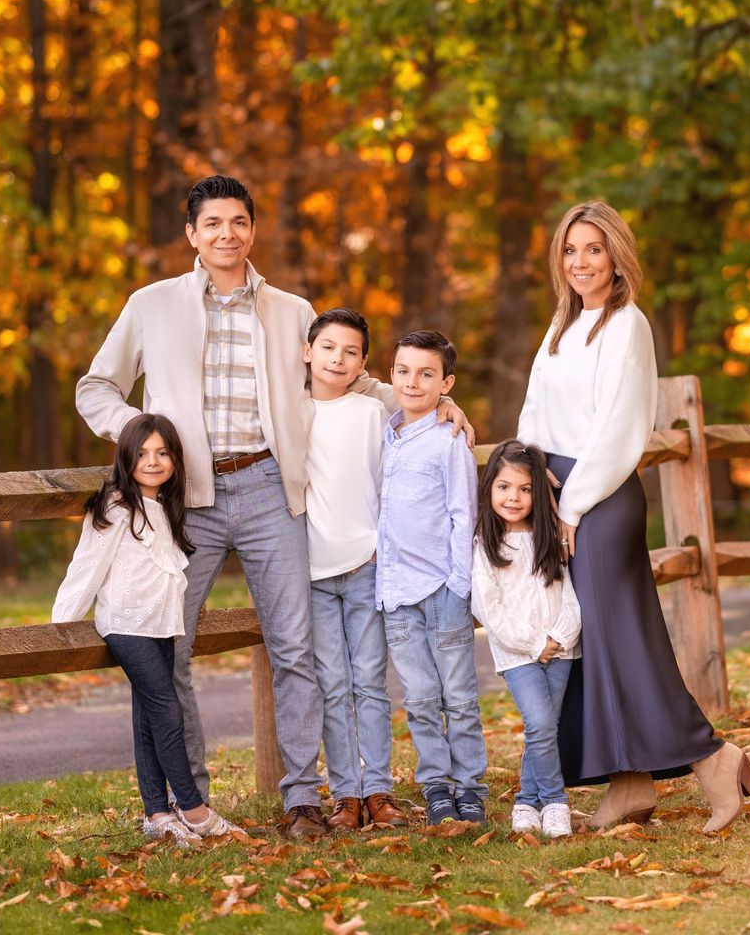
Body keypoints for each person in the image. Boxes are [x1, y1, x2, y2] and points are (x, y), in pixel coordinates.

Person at [76, 174, 471, 840]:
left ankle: (301, 802)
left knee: (295, 650)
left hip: (269, 489)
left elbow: (342, 374)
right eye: (212, 224)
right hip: (185, 500)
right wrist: (140, 433)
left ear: (252, 230)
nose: (226, 233)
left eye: (238, 222)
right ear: (191, 234)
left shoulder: (290, 310)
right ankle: (189, 803)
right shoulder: (151, 305)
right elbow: (96, 386)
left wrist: (427, 404)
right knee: (172, 651)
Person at [519, 200, 750, 834]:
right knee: (594, 647)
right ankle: (629, 786)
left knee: (626, 643)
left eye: (593, 249)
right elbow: (534, 412)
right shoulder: (559, 327)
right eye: (570, 250)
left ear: (617, 256)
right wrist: (532, 477)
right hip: (558, 494)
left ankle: (714, 759)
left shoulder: (627, 325)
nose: (580, 262)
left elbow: (620, 430)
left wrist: (571, 505)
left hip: (599, 502)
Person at [52, 412, 238, 845]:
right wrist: (60, 625)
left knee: (147, 716)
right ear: (125, 458)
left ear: (174, 459)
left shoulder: (166, 509)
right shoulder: (117, 507)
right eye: (142, 453)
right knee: (167, 708)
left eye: (162, 452)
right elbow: (87, 565)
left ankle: (157, 812)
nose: (152, 461)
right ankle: (194, 809)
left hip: (160, 626)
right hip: (125, 624)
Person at [377, 329, 488, 824]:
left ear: (447, 384)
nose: (413, 382)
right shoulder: (385, 433)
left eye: (426, 374)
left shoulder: (448, 442)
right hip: (396, 594)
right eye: (403, 371)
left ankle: (471, 786)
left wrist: (459, 587)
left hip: (442, 589)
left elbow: (465, 516)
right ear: (391, 373)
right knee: (420, 699)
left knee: (460, 698)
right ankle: (436, 787)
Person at [301, 307, 405, 831]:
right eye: (328, 348)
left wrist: (380, 547)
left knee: (369, 680)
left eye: (351, 352)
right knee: (332, 684)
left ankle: (380, 790)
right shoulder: (290, 413)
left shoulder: (370, 414)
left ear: (364, 362)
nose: (337, 359)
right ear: (307, 352)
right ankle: (345, 793)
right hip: (312, 573)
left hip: (365, 564)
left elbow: (386, 483)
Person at [470, 440, 580, 838]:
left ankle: (526, 801)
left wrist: (559, 637)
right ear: (489, 490)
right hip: (518, 654)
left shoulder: (549, 539)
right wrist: (536, 643)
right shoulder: (485, 544)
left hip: (563, 649)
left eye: (524, 488)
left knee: (546, 726)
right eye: (503, 487)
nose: (513, 497)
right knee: (538, 723)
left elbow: (570, 596)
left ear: (538, 492)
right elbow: (488, 608)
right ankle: (555, 801)